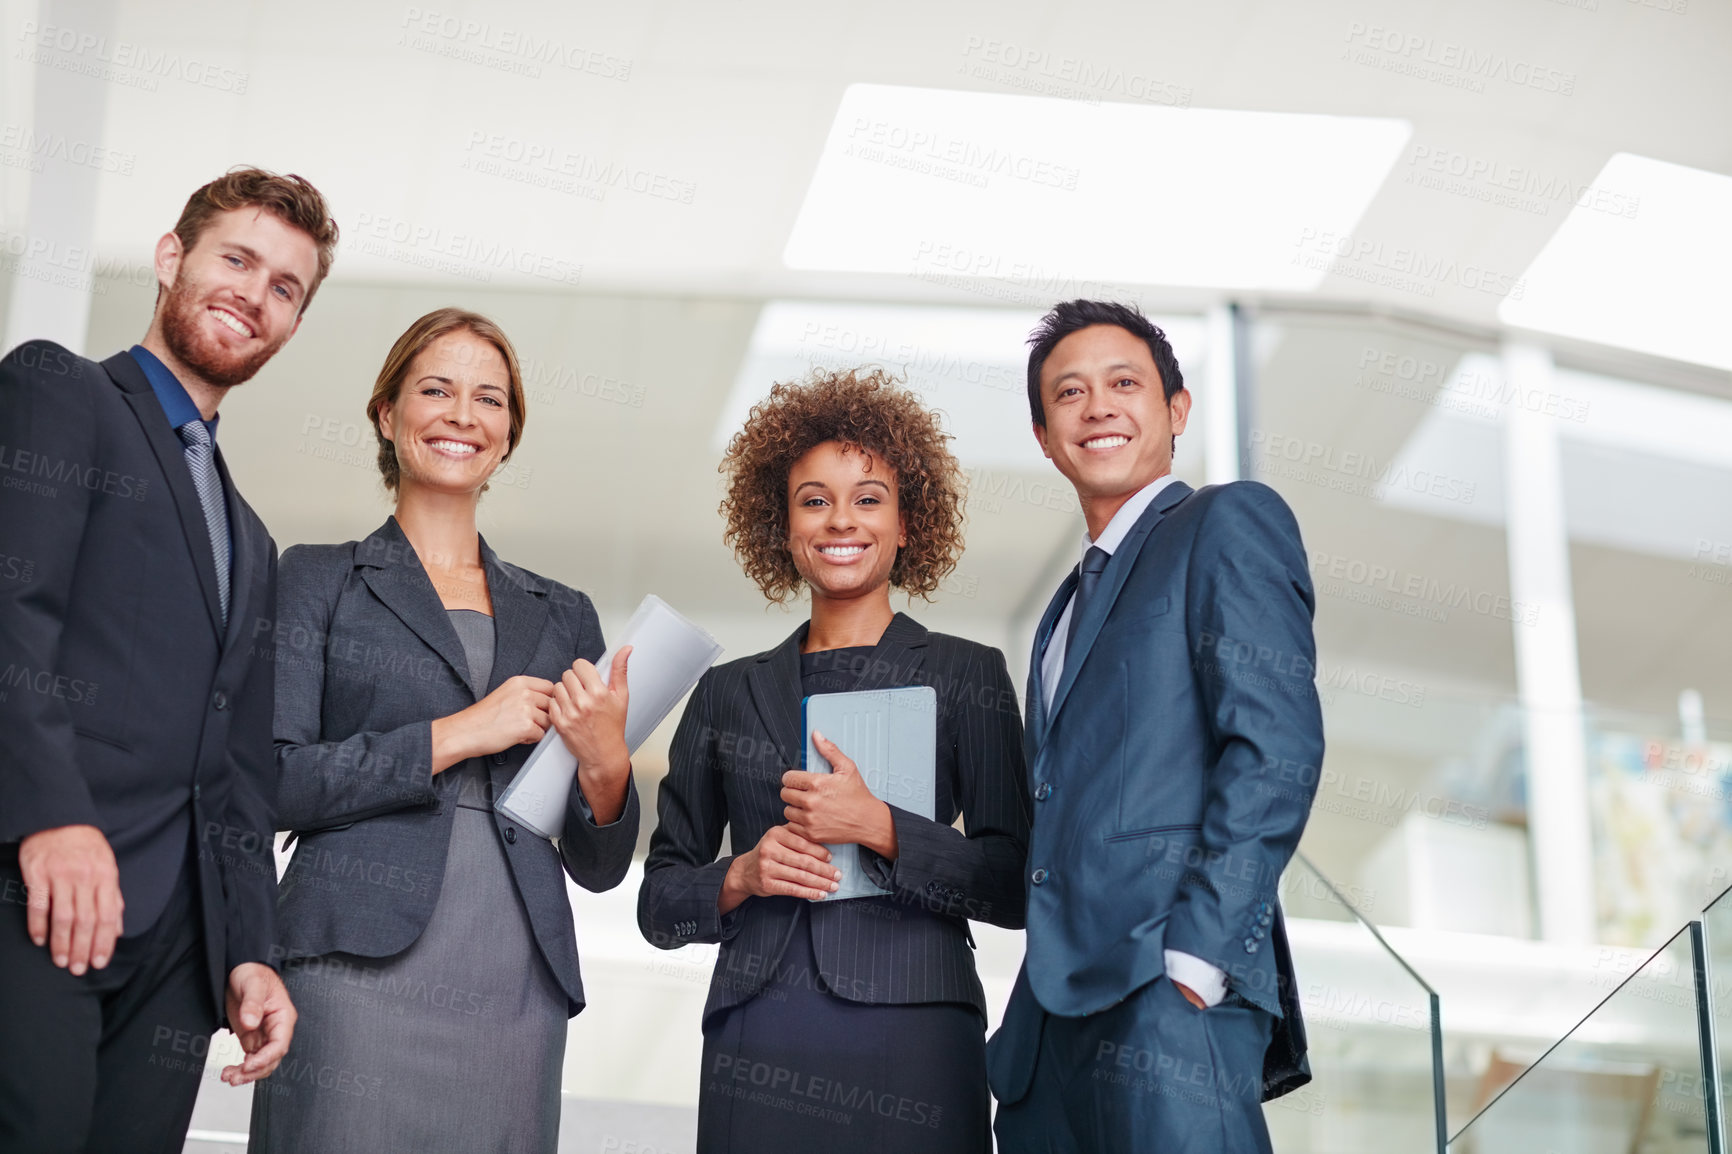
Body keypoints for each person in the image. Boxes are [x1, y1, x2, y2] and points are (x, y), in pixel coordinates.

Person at [247, 308, 640, 1154]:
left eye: (489, 399)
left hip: (514, 980)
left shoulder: (563, 613)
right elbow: (273, 783)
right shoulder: (318, 578)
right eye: (436, 389)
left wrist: (607, 766)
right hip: (355, 966)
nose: (464, 414)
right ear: (387, 417)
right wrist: (459, 731)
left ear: (509, 434)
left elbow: (602, 864)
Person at [0, 167, 337, 1151]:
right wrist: (52, 815)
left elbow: (235, 768)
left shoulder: (250, 534)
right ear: (170, 257)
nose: (254, 292)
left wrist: (248, 952)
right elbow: (9, 607)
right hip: (40, 888)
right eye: (237, 258)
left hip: (178, 958)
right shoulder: (59, 390)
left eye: (286, 286)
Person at [640, 369, 1031, 1153]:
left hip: (916, 1033)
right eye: (814, 500)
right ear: (783, 529)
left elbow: (1015, 883)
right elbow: (658, 903)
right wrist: (740, 875)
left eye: (868, 498)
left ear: (906, 523)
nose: (840, 520)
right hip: (761, 1035)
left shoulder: (968, 673)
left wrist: (882, 827)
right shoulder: (724, 693)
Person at [988, 300, 1323, 1153]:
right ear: (1043, 433)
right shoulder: (1059, 616)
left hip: (1166, 996)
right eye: (1070, 393)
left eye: (1124, 383)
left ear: (1176, 411)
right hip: (1045, 1043)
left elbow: (1275, 748)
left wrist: (1197, 962)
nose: (1097, 406)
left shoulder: (1225, 522)